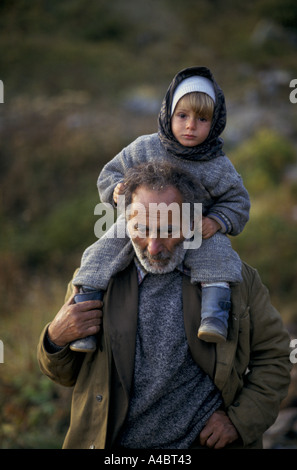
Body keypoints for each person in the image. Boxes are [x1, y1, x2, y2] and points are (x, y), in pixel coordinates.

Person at [37, 162, 291, 450]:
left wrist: (239, 420)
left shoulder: (236, 280)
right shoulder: (96, 281)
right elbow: (64, 375)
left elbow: (275, 357)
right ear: (124, 221)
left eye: (168, 229)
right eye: (141, 228)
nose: (154, 246)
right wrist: (55, 339)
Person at [70, 66, 251, 351]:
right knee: (100, 252)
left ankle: (214, 317)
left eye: (201, 119)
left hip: (191, 227)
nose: (190, 125)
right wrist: (117, 190)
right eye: (182, 116)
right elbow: (110, 173)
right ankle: (84, 320)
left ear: (215, 123)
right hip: (140, 223)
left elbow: (239, 202)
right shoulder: (145, 147)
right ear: (168, 114)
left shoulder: (217, 165)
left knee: (218, 256)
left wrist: (216, 221)